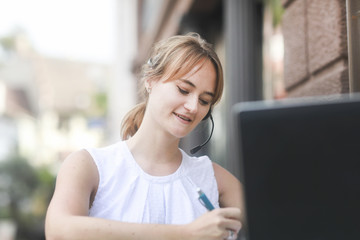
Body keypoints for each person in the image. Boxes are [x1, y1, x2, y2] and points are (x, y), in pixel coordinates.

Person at [45, 32, 243, 240]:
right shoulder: (90, 166)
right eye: (184, 90)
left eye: (204, 101)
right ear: (151, 80)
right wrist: (187, 234)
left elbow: (274, 220)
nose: (193, 107)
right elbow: (59, 231)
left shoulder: (211, 177)